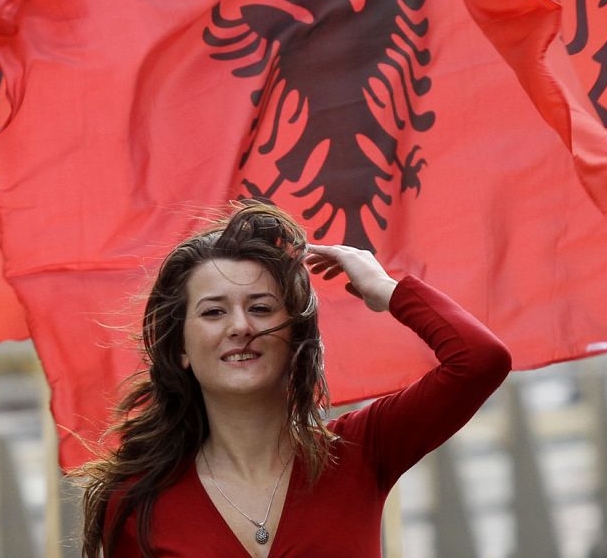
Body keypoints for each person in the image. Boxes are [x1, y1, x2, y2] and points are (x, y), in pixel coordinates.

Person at [77, 200, 511, 557]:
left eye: (262, 308)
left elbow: (479, 361)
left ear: (294, 336)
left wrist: (385, 288)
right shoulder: (137, 501)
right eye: (213, 311)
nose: (240, 326)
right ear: (181, 350)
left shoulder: (361, 452)